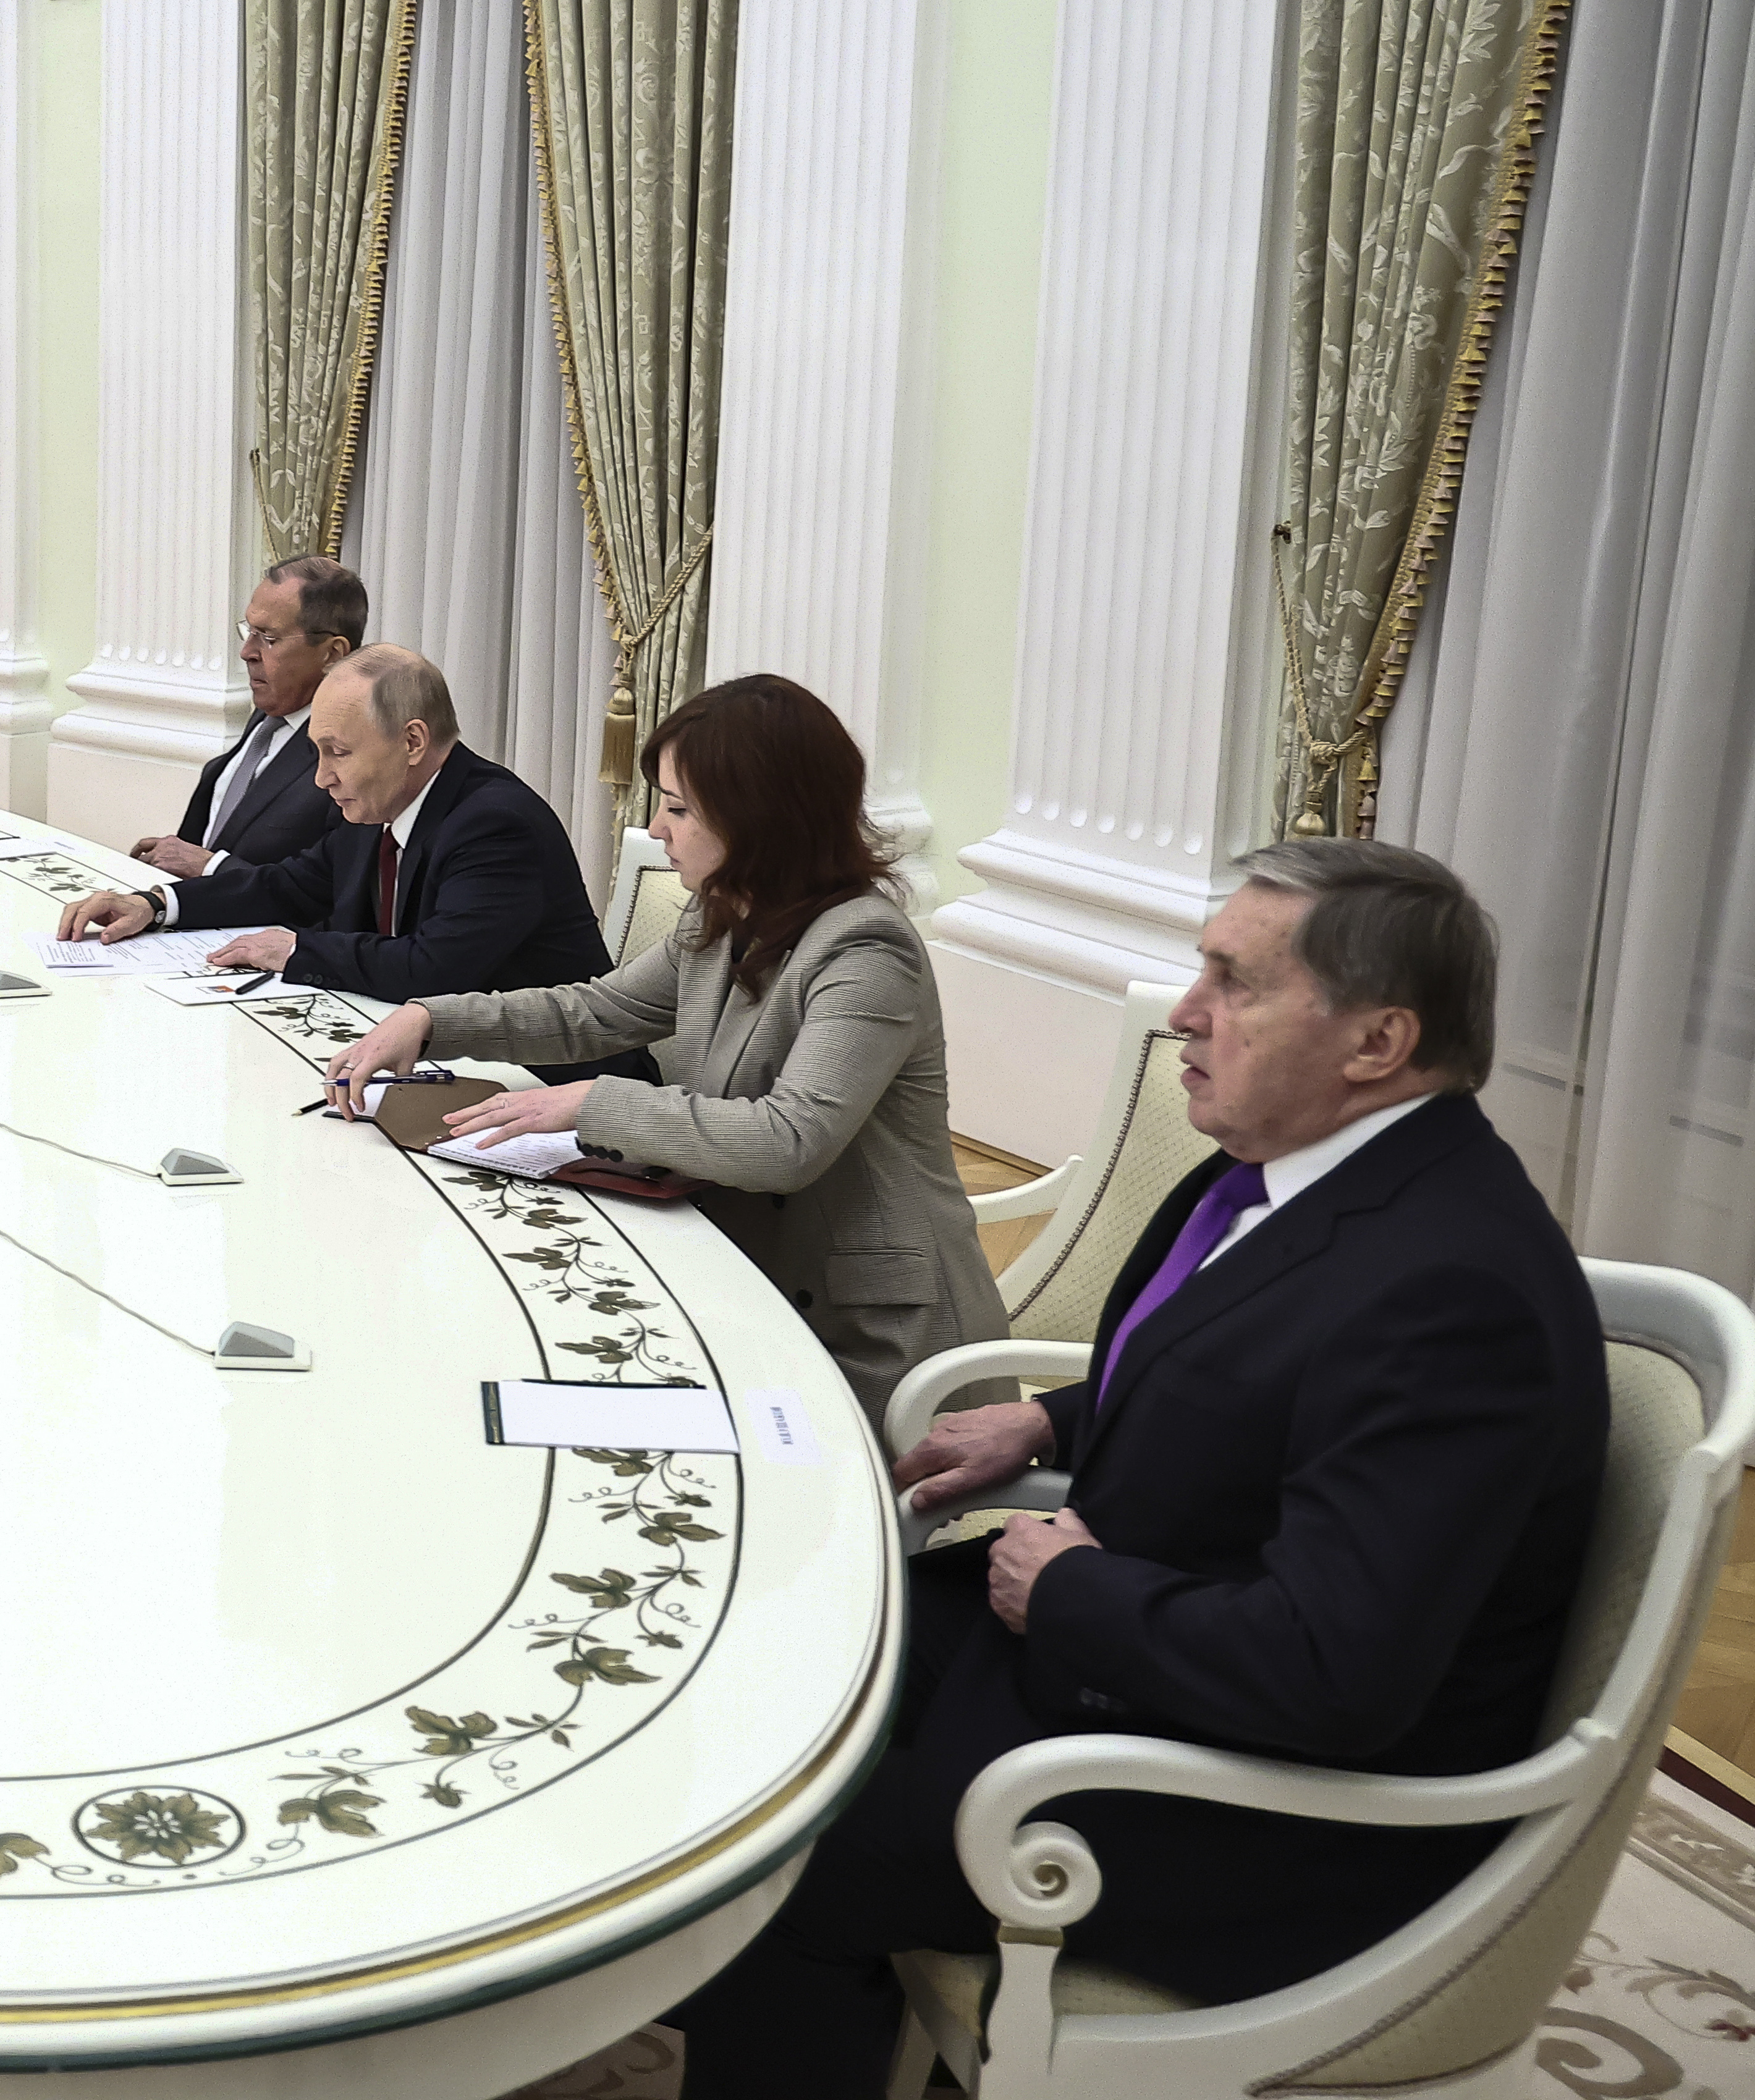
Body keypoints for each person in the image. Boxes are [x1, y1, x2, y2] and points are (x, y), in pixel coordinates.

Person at [659, 840, 1604, 2096]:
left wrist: (1066, 1597)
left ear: (1378, 1043)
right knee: (796, 1657)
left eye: (1235, 982)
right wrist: (1054, 1421)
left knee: (770, 1872)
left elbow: (1338, 1675)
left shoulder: (1450, 1295)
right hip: (1133, 1650)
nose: (1189, 1013)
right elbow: (1253, 1385)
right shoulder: (1292, 1172)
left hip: (1261, 1803)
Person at [323, 675, 1004, 1425]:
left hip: (876, 1339)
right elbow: (597, 1010)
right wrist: (430, 1019)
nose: (657, 827)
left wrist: (590, 1103)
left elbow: (789, 1140)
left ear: (761, 819)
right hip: (751, 1283)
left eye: (679, 808)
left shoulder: (866, 949)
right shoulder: (723, 916)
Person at [54, 646, 614, 1009]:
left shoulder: (495, 824)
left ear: (413, 742)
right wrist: (157, 905)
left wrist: (297, 950)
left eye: (337, 753)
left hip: (550, 1085)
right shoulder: (378, 803)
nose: (322, 778)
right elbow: (287, 885)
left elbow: (434, 970)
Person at [129, 556, 360, 880]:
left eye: (268, 638)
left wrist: (210, 868)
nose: (247, 652)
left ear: (332, 654)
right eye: (249, 631)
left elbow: (327, 894)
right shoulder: (269, 715)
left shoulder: (350, 755)